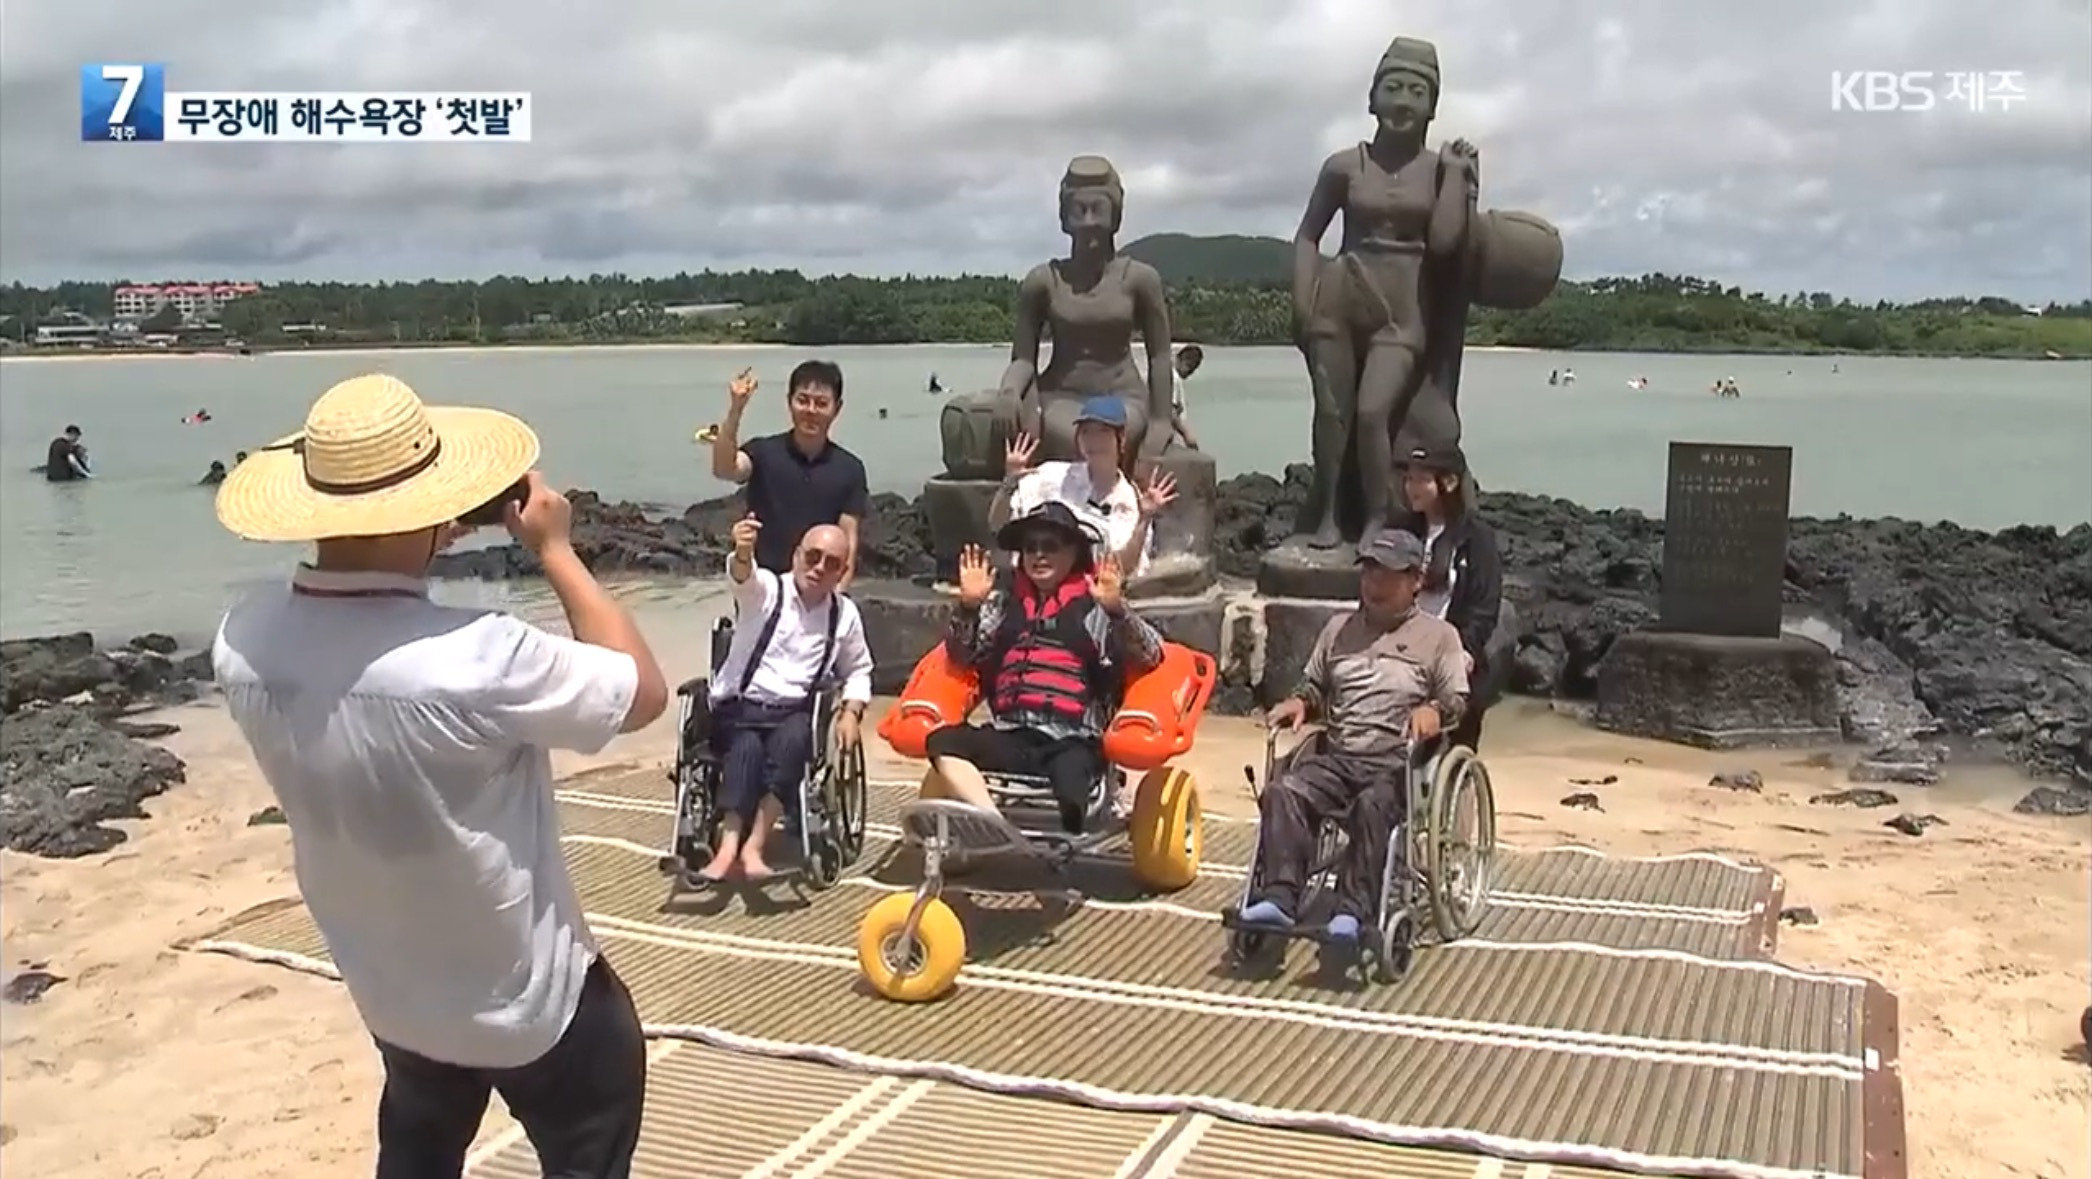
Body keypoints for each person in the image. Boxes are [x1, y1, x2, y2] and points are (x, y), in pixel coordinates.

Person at [209, 373, 669, 1179]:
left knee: (418, 1148)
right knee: (594, 1110)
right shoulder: (479, 653)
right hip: (530, 1002)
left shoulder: (242, 639)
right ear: (437, 515)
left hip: (392, 989)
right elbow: (641, 690)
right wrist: (555, 549)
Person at [1242, 529, 1468, 943]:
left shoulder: (1439, 638)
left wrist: (1433, 710)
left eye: (1387, 576)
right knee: (1284, 790)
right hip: (1341, 755)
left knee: (1372, 805)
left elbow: (1456, 700)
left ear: (1416, 580)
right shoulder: (1338, 629)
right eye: (1369, 574)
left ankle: (1353, 909)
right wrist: (1299, 703)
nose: (1374, 584)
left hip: (1398, 762)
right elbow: (1314, 686)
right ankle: (1279, 896)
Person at [922, 501, 1164, 834]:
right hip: (1012, 735)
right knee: (941, 742)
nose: (1039, 555)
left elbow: (1150, 655)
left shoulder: (1098, 609)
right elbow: (962, 657)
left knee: (1072, 781)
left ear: (1074, 553)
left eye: (1050, 546)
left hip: (1073, 739)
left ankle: (1071, 828)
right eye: (1030, 548)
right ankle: (992, 821)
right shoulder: (1004, 607)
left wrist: (1117, 610)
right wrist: (968, 608)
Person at [700, 516, 874, 881]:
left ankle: (755, 846)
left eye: (832, 564)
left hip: (794, 712)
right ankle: (728, 847)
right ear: (797, 555)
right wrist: (743, 552)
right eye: (813, 556)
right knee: (746, 748)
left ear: (842, 571)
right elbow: (742, 578)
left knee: (796, 742)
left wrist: (851, 712)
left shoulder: (843, 615)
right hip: (741, 706)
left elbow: (859, 669)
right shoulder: (768, 592)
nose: (819, 568)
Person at [710, 361, 870, 588]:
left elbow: (848, 542)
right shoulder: (763, 452)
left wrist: (835, 600)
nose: (811, 410)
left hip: (817, 590)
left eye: (821, 403)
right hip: (762, 589)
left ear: (837, 408)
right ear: (789, 402)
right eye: (803, 400)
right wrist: (736, 409)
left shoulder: (850, 469)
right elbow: (724, 468)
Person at [990, 395, 1176, 577]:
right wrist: (1009, 482)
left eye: (1102, 432)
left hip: (1086, 595)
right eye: (1086, 432)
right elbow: (997, 524)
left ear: (1121, 439)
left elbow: (1121, 569)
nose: (1093, 440)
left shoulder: (1131, 503)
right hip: (1031, 587)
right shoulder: (1049, 475)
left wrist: (1144, 520)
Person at [1396, 444, 1503, 751]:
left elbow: (1485, 607)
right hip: (1403, 653)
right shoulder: (1400, 531)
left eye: (1421, 480)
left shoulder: (1476, 538)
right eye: (1408, 479)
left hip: (1452, 656)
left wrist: (1464, 652)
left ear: (1450, 483)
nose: (1411, 487)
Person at [1165, 344, 1204, 450]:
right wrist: (1187, 434)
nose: (1189, 372)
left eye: (1192, 369)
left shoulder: (1169, 375)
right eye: (1188, 366)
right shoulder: (1174, 378)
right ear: (1178, 359)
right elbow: (1169, 410)